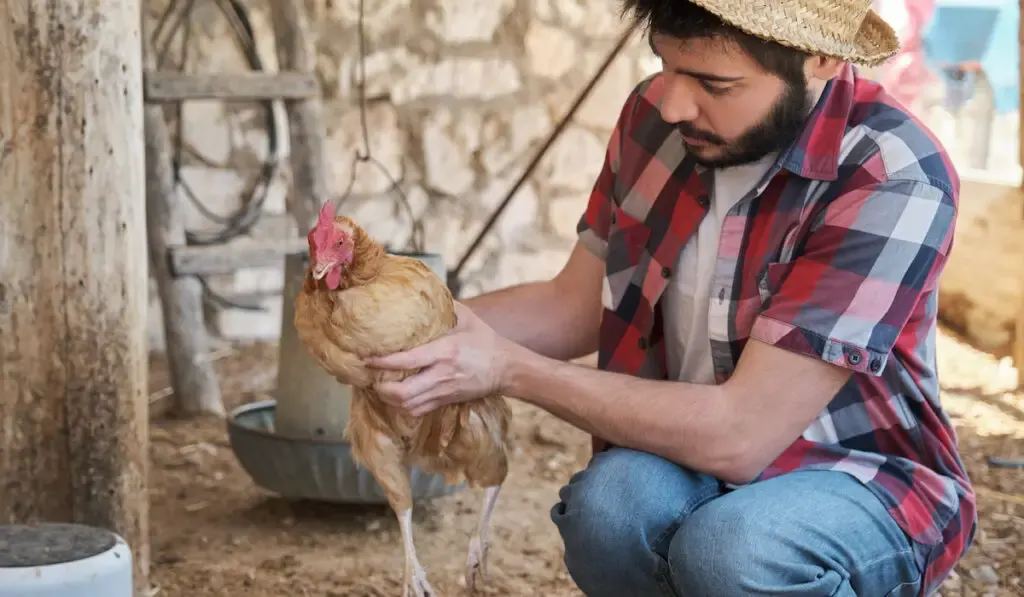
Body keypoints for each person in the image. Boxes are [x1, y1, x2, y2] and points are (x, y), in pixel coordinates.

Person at [365, 0, 978, 594]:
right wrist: (396, 338)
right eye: (665, 63)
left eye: (715, 83)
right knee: (605, 510)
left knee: (733, 548)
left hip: (855, 473)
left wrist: (506, 368)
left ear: (819, 57)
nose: (675, 102)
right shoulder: (653, 119)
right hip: (689, 448)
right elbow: (576, 306)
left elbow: (741, 435)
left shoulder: (893, 174)